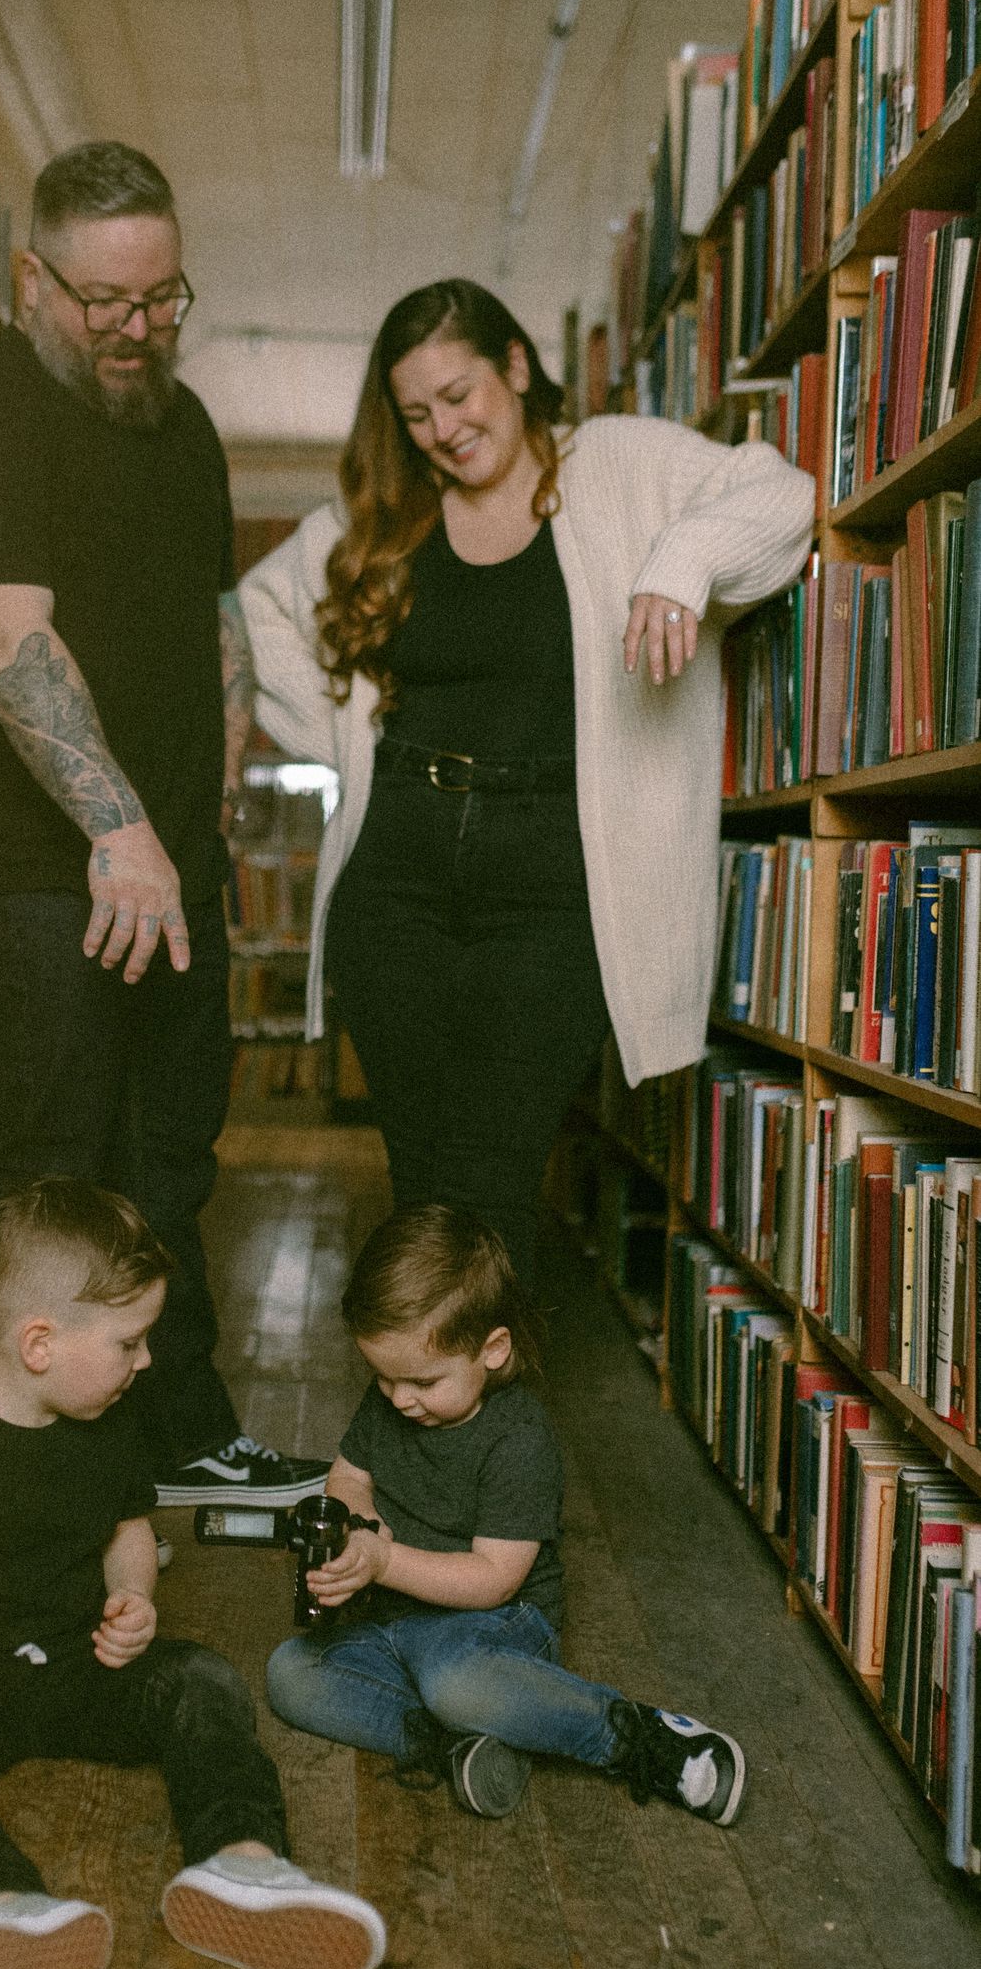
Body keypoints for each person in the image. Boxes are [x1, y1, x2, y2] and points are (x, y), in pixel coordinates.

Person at [0, 139, 326, 1507]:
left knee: (171, 1170)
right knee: (53, 1178)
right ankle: (23, 1481)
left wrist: (221, 767)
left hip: (172, 866)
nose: (136, 332)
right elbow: (10, 633)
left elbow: (212, 618)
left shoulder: (181, 425)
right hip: (34, 877)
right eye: (105, 303)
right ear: (32, 280)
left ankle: (177, 1433)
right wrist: (121, 827)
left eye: (162, 298)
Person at [238, 280, 816, 1282]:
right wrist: (345, 745)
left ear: (515, 368)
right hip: (398, 880)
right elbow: (259, 610)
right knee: (423, 1177)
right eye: (416, 414)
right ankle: (443, 1422)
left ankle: (467, 1425)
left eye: (459, 396)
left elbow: (783, 494)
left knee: (497, 1175)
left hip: (557, 887)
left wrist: (681, 561)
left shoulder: (621, 464)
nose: (443, 431)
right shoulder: (386, 515)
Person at [0, 1179, 386, 1969]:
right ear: (40, 1343)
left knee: (200, 1677)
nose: (145, 1363)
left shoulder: (110, 1419)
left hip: (80, 1665)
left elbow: (128, 1527)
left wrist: (133, 1593)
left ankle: (243, 1864)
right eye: (129, 1342)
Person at [265, 1204, 745, 1825]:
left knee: (457, 1684)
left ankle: (637, 1737)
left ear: (492, 1350)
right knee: (292, 1673)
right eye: (383, 1381)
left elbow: (494, 1577)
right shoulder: (396, 1394)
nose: (399, 1399)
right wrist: (358, 1520)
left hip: (495, 1625)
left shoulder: (520, 1440)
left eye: (421, 1382)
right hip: (393, 1619)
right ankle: (455, 1746)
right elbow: (350, 1473)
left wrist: (381, 1560)